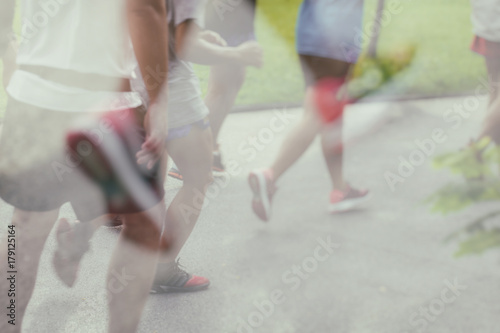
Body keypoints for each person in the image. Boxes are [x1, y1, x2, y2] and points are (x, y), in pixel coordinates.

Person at [52, 0, 263, 294]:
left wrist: (197, 36)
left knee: (148, 184)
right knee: (198, 178)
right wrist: (235, 53)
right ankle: (161, 268)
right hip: (168, 83)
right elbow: (181, 44)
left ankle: (80, 234)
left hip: (128, 76)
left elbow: (156, 20)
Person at [0, 0, 170, 332]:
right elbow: (144, 7)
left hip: (33, 94)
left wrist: (7, 40)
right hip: (106, 101)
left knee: (23, 227)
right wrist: (159, 97)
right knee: (143, 224)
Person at [248, 0, 369, 221]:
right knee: (319, 116)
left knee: (327, 116)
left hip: (310, 37)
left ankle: (339, 188)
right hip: (336, 40)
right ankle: (270, 176)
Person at [167, 0, 262, 180]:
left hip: (236, 11)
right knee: (224, 84)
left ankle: (208, 149)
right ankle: (194, 155)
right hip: (228, 11)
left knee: (233, 79)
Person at [471, 0, 500, 144]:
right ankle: (477, 146)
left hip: (487, 23)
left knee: (495, 88)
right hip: (493, 21)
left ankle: (494, 143)